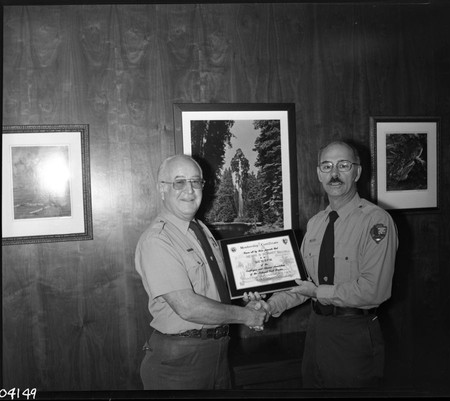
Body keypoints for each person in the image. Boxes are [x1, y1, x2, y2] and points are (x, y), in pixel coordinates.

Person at [251, 140, 398, 388]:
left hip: (354, 333)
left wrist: (318, 292)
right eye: (327, 166)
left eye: (343, 165)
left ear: (357, 172)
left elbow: (374, 290)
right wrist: (267, 306)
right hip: (317, 331)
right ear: (319, 173)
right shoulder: (316, 223)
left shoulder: (376, 222)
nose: (334, 174)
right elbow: (300, 283)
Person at [135, 154, 267, 390]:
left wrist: (248, 296)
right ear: (162, 188)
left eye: (196, 182)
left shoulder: (200, 230)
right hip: (179, 362)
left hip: (217, 353)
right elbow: (188, 306)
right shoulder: (158, 240)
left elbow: (217, 287)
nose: (190, 190)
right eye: (179, 182)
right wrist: (246, 316)